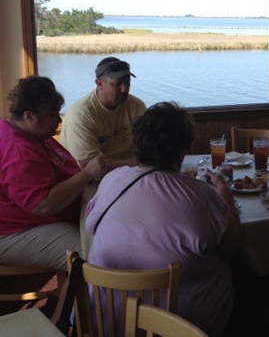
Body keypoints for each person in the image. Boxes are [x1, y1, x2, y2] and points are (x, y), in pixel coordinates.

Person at [85, 102, 241, 337]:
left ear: (137, 144)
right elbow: (232, 247)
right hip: (176, 326)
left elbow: (90, 226)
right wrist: (226, 198)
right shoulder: (201, 195)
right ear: (183, 150)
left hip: (103, 318)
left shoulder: (112, 180)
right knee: (241, 274)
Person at [0, 76, 106, 270]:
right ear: (29, 116)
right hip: (14, 230)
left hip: (45, 217)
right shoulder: (18, 152)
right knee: (93, 258)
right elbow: (43, 205)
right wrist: (87, 174)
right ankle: (74, 300)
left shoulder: (34, 134)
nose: (58, 120)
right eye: (52, 115)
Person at [60, 57, 146, 172]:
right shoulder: (80, 116)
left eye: (127, 83)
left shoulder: (136, 105)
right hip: (87, 180)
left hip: (129, 172)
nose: (124, 89)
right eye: (117, 84)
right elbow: (88, 166)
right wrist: (133, 163)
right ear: (99, 84)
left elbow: (148, 142)